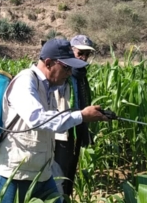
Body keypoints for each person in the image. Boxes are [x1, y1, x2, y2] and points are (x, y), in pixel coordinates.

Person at [0, 38, 107, 203]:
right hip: (14, 173)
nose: (69, 73)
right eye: (66, 67)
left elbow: (54, 125)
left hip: (43, 174)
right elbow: (37, 119)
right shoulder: (25, 82)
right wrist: (81, 116)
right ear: (48, 63)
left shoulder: (49, 87)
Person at [54, 35, 96, 198]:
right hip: (62, 133)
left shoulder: (81, 76)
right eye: (81, 53)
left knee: (70, 172)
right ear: (71, 51)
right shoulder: (63, 74)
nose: (84, 57)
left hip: (78, 131)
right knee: (60, 174)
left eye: (87, 54)